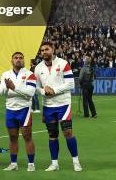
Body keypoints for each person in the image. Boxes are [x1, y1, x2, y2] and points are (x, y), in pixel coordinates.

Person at [35, 41, 82, 172]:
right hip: (48, 105)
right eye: (42, 50)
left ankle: (76, 161)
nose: (44, 52)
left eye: (47, 49)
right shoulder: (38, 68)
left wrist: (54, 90)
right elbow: (37, 87)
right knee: (52, 134)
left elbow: (71, 84)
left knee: (68, 132)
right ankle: (54, 163)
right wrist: (44, 91)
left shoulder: (63, 64)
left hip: (63, 104)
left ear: (53, 49)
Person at [0, 52, 37, 171]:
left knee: (27, 136)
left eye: (20, 58)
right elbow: (0, 93)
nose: (18, 60)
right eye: (16, 58)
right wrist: (6, 86)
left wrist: (14, 87)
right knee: (12, 137)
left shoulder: (29, 74)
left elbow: (30, 93)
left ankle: (31, 164)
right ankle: (13, 163)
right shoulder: (5, 74)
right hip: (10, 109)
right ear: (12, 61)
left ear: (24, 61)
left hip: (24, 109)